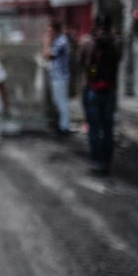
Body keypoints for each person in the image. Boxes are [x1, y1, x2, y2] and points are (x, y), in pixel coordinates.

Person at [78, 13, 122, 176]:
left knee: (94, 128)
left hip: (92, 90)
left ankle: (97, 162)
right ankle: (107, 161)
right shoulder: (116, 42)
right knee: (108, 127)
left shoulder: (88, 42)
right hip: (110, 90)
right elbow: (119, 59)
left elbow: (81, 61)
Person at [44, 21, 71, 135]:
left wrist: (47, 42)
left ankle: (64, 126)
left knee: (61, 102)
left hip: (61, 76)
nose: (48, 33)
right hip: (56, 75)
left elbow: (49, 54)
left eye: (50, 31)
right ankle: (61, 124)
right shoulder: (57, 40)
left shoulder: (61, 41)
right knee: (57, 101)